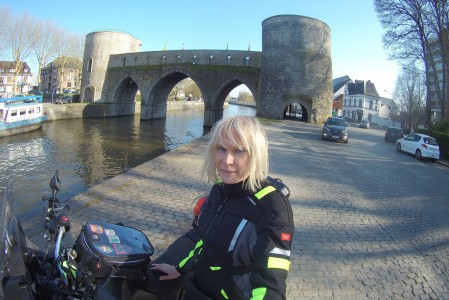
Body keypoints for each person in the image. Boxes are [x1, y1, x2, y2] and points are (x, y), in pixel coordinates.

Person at [150, 115, 294, 300]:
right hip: (195, 289)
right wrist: (180, 268)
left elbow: (270, 284)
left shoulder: (272, 208)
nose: (227, 161)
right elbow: (205, 240)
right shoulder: (219, 190)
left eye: (239, 151)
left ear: (256, 153)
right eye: (221, 149)